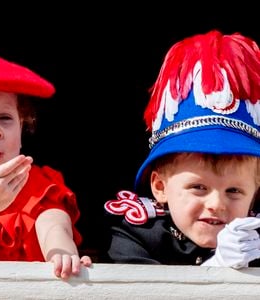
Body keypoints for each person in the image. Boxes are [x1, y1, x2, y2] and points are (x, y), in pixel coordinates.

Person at [104, 30, 260, 268]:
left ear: (255, 191)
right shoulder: (136, 236)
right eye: (198, 187)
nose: (217, 204)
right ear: (159, 187)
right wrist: (218, 268)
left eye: (234, 190)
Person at [0, 43, 91, 279]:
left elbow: (53, 224)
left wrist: (62, 252)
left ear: (22, 126)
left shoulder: (37, 184)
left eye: (5, 118)